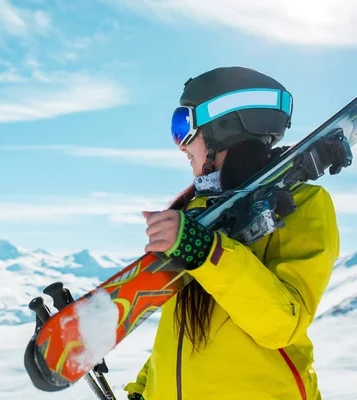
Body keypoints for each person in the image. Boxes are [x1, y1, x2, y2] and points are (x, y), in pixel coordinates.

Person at [124, 66, 340, 400]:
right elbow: (182, 331)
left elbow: (283, 324)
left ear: (223, 128)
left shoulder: (303, 204)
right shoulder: (195, 214)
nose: (181, 146)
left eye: (183, 126)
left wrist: (209, 253)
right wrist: (145, 389)